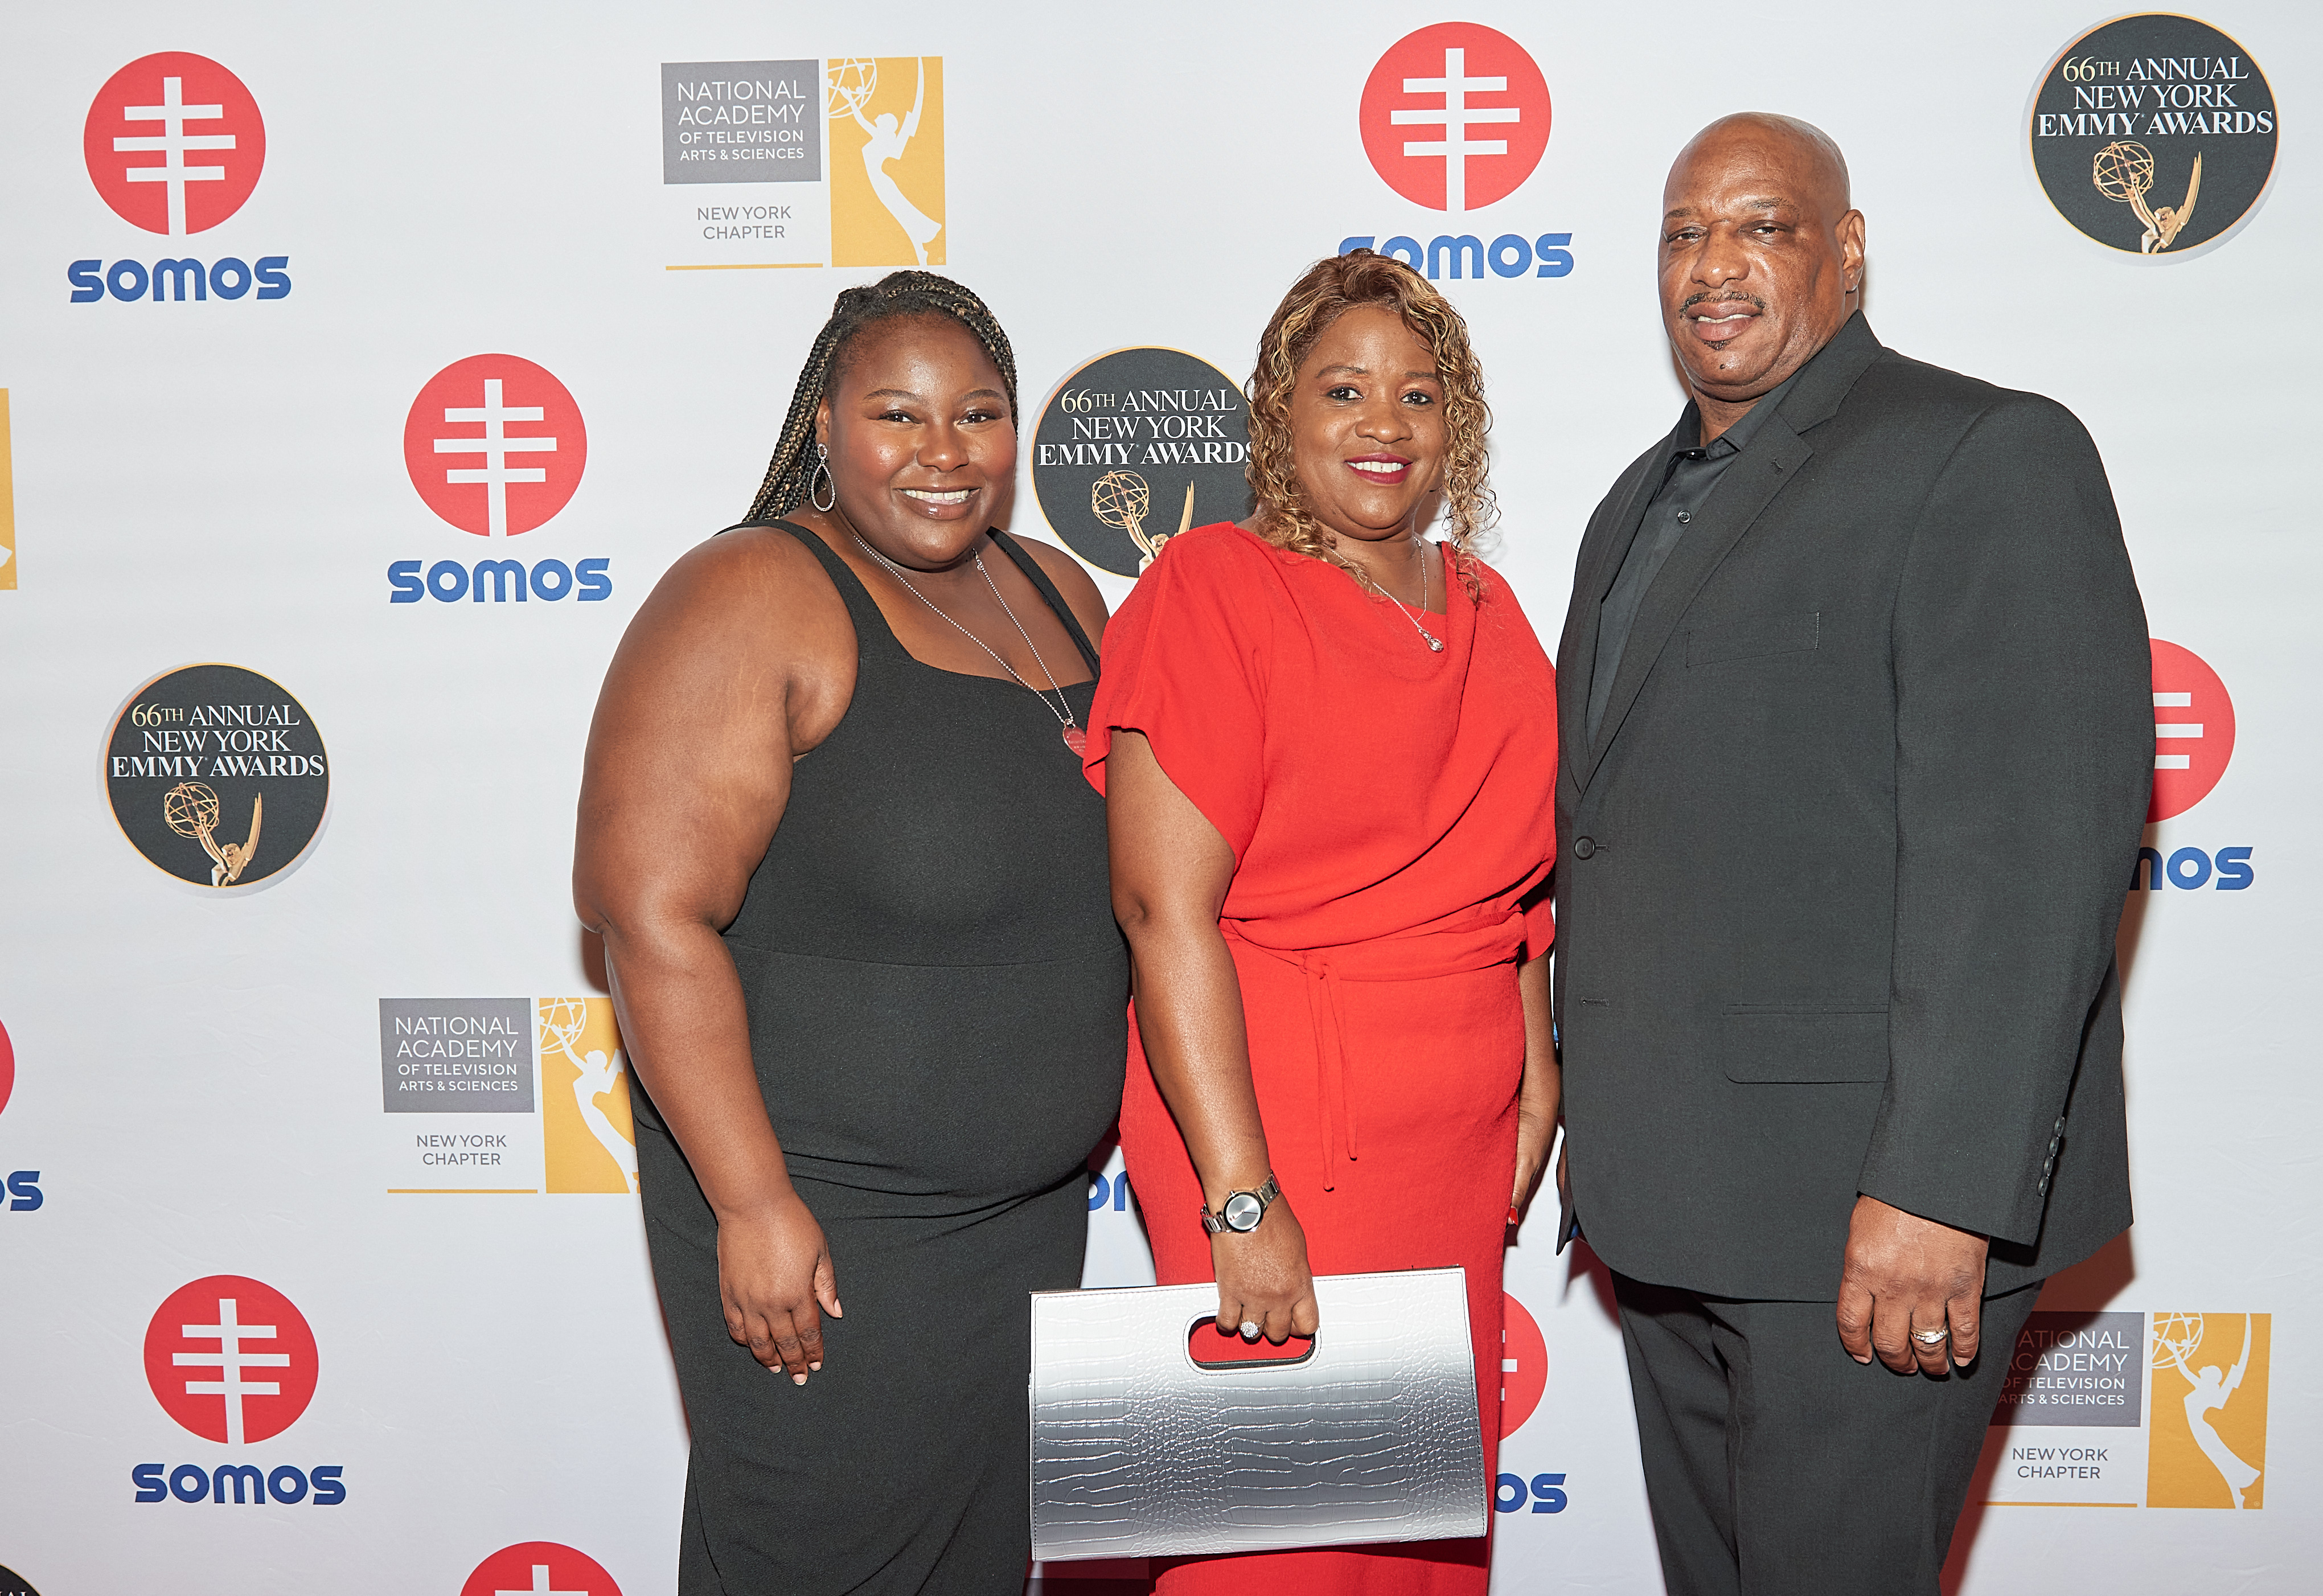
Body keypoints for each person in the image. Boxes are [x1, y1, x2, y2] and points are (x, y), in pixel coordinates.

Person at [1552, 114, 2152, 1594]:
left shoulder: (1981, 452)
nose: (1714, 265)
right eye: (1685, 233)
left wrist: (1945, 1191)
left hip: (1867, 1223)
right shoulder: (1631, 502)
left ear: (1849, 249)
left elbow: (2027, 860)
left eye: (1762, 225)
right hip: (1672, 1209)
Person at [573, 271, 1124, 1595]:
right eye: (898, 414)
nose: (946, 451)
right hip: (831, 1232)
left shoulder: (1057, 588)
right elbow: (648, 914)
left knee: (983, 1563)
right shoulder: (752, 589)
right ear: (826, 425)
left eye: (978, 414)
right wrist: (752, 1203)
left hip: (1025, 1226)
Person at [1088, 251, 1559, 1595]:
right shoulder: (1214, 585)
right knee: (1276, 1550)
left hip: (1453, 1145)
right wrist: (1243, 1200)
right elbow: (1159, 907)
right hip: (1278, 1125)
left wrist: (1536, 1076)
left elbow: (1517, 882)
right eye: (1343, 389)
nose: (1382, 423)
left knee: (1413, 1546)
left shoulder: (1491, 608)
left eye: (1418, 392)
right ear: (1278, 415)